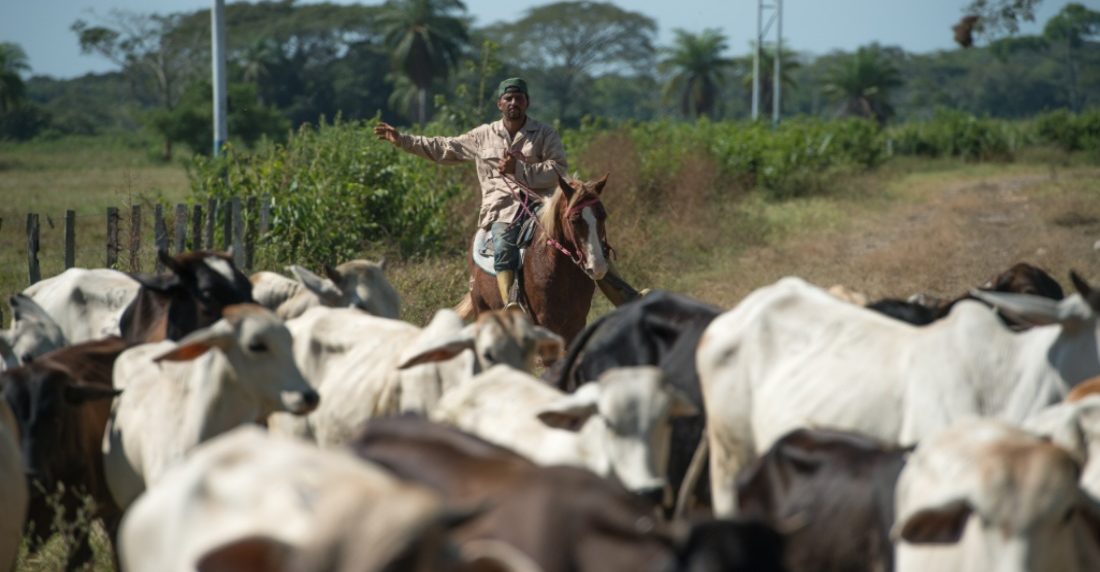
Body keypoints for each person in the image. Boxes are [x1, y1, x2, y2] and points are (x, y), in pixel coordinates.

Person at [373, 77, 643, 309]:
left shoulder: (545, 134)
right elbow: (443, 147)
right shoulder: (482, 136)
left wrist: (520, 170)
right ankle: (512, 304)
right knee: (503, 245)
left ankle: (625, 296)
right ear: (500, 104)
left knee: (585, 236)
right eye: (508, 98)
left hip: (543, 205)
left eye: (519, 98)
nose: (514, 103)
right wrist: (404, 141)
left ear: (527, 103)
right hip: (502, 209)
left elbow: (558, 169)